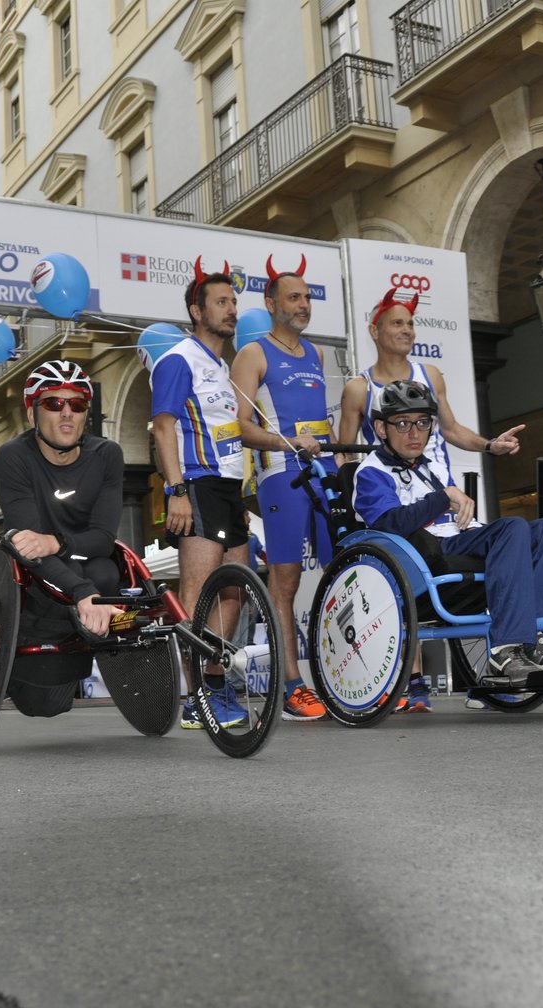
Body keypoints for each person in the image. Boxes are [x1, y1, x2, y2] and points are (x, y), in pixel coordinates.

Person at [337, 287, 526, 708]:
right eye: (397, 323)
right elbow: (346, 452)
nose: (407, 330)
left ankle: (505, 660)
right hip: (396, 488)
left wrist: (489, 445)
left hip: (440, 485)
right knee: (412, 549)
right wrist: (350, 497)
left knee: (509, 543)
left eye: (410, 323)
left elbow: (452, 428)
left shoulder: (430, 373)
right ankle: (415, 678)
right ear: (375, 330)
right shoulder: (358, 388)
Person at [352, 380, 543, 686]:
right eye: (402, 423)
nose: (414, 433)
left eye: (422, 423)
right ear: (381, 428)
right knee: (512, 527)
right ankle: (505, 650)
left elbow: (460, 517)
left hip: (459, 539)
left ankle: (538, 642)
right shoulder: (372, 472)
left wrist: (456, 502)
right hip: (425, 556)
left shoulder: (435, 468)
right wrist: (443, 496)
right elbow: (388, 524)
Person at [0, 360, 126, 717]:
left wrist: (57, 543)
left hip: (84, 573)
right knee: (43, 706)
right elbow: (28, 549)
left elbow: (103, 538)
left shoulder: (107, 455)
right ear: (32, 414)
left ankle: (92, 639)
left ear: (86, 414)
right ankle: (20, 664)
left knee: (107, 570)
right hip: (36, 587)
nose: (66, 413)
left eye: (77, 404)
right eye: (53, 403)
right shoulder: (12, 456)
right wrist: (81, 591)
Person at [149, 261, 250, 730]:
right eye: (221, 303)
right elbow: (164, 426)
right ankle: (196, 696)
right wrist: (176, 491)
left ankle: (213, 679)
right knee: (197, 594)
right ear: (197, 310)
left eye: (233, 302)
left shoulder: (222, 365)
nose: (232, 310)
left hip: (231, 487)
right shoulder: (178, 359)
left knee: (236, 590)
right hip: (198, 484)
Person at [230, 262, 331, 720]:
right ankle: (292, 686)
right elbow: (241, 428)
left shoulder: (317, 354)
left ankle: (341, 674)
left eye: (307, 297)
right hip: (281, 474)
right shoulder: (253, 354)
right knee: (285, 583)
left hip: (323, 472)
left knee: (339, 569)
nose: (303, 305)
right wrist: (287, 443)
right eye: (294, 298)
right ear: (271, 304)